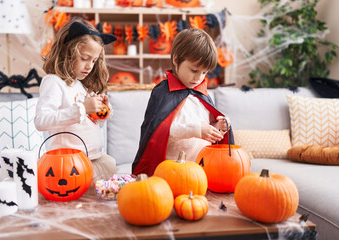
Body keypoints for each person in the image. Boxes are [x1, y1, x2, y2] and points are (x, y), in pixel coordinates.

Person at [132, 28, 234, 176]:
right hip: (172, 169)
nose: (199, 78)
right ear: (176, 59)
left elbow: (209, 129)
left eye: (204, 73)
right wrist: (196, 130)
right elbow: (160, 132)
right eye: (194, 70)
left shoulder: (202, 94)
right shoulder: (163, 92)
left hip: (200, 170)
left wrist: (220, 127)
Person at [35, 18, 118, 181]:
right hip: (68, 165)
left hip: (95, 160)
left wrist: (99, 114)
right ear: (67, 52)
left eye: (94, 61)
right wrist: (83, 109)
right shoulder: (54, 82)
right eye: (84, 58)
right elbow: (41, 120)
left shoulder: (82, 86)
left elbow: (88, 126)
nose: (89, 66)